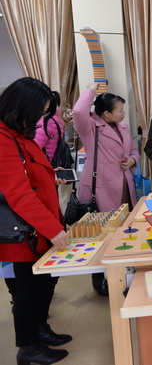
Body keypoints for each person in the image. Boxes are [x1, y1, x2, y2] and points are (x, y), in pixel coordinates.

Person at [0, 77, 72, 365]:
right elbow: (18, 193)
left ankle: (40, 329)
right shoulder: (3, 139)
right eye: (39, 113)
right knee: (28, 290)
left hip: (39, 227)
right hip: (27, 231)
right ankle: (28, 347)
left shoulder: (18, 135)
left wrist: (48, 176)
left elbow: (30, 176)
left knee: (45, 282)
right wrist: (53, 229)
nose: (40, 120)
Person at [73, 82, 139, 296]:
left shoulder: (123, 127)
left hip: (124, 185)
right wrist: (91, 90)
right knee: (102, 233)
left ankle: (125, 271)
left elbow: (133, 150)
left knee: (125, 229)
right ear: (106, 113)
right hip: (101, 187)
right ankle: (100, 277)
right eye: (120, 110)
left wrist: (132, 160)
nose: (123, 113)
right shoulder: (90, 127)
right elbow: (78, 111)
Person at [35, 91, 65, 165]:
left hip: (45, 161)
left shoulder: (46, 123)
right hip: (54, 160)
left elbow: (35, 146)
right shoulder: (58, 120)